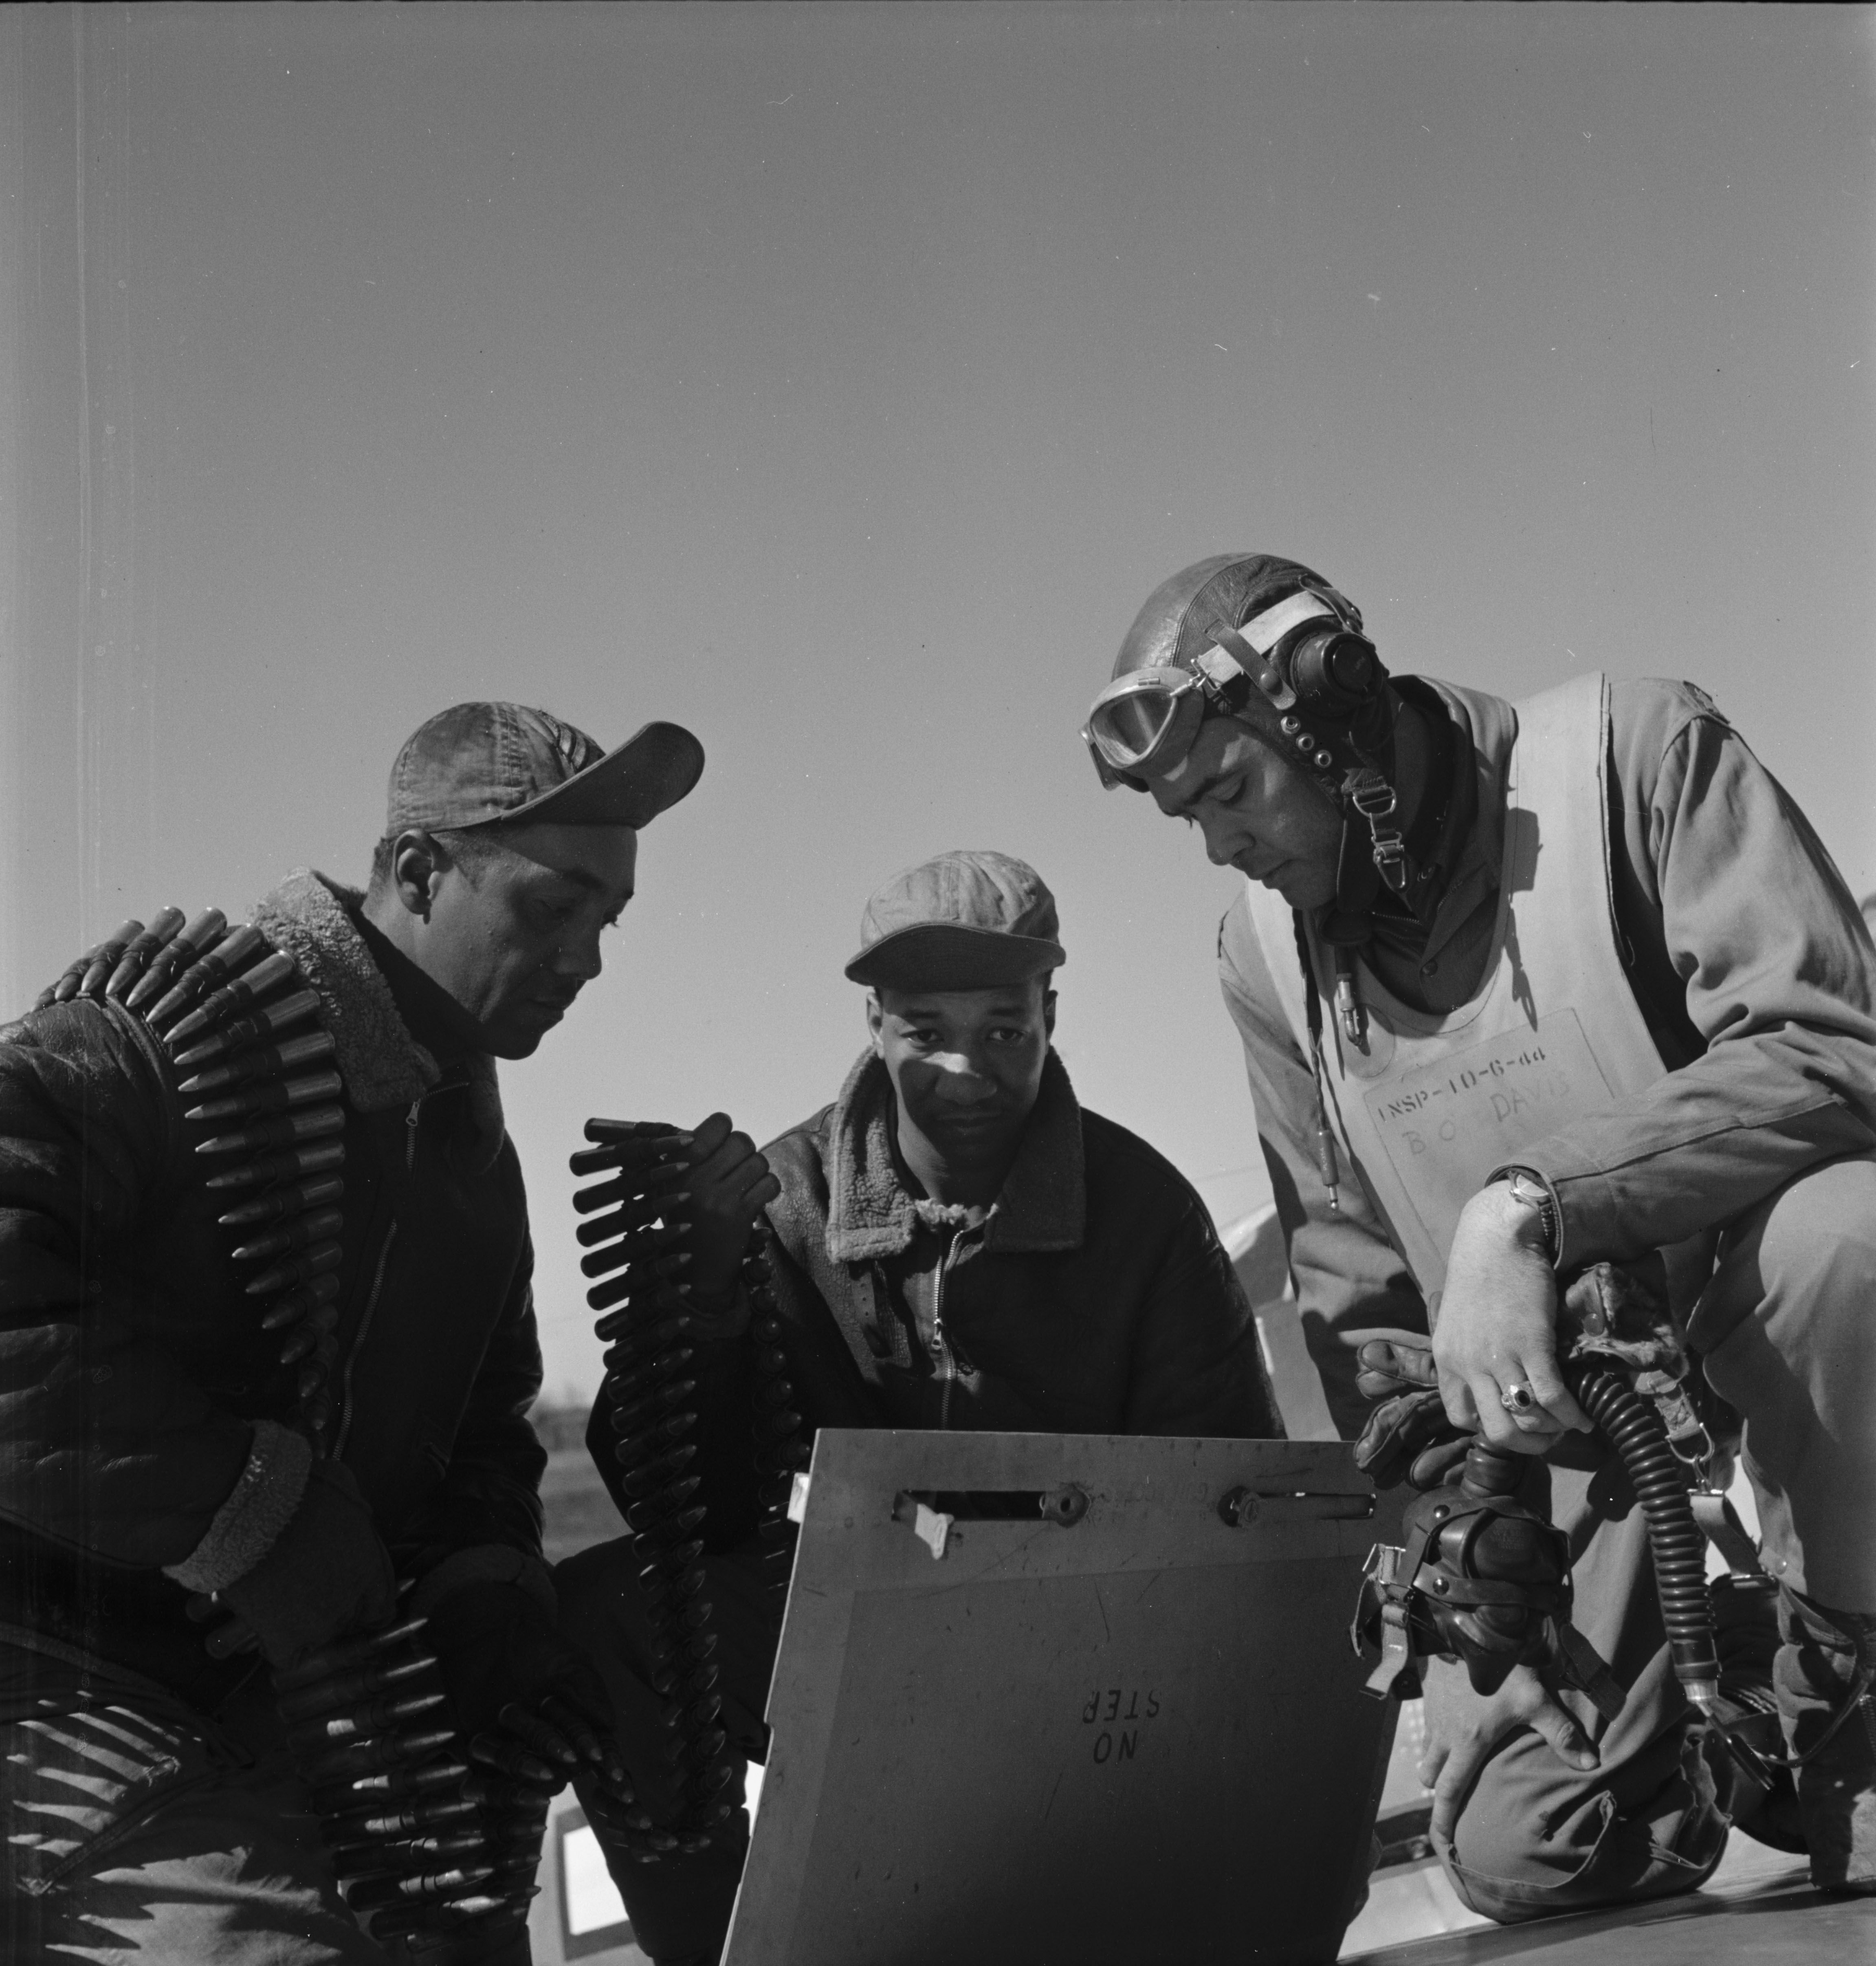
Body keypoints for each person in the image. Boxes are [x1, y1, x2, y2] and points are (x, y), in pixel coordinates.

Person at [1081, 552, 1876, 1918]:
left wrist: (1532, 1203)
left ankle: (1849, 1655)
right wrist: (1447, 1513)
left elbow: (1827, 1043)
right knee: (1526, 1847)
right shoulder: (1263, 955)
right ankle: (1726, 1665)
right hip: (1571, 1419)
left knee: (1849, 1239)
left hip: (1780, 1344)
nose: (1221, 845)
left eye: (1230, 792)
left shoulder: (1633, 753)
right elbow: (1356, 1288)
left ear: (1328, 710)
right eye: (1189, 819)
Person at [0, 701, 705, 1965]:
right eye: (556, 907)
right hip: (71, 1688)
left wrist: (487, 1587)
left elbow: (489, 1430)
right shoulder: (171, 1039)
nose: (588, 960)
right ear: (420, 871)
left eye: (608, 921)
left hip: (291, 1697)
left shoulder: (470, 1156)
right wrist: (240, 1511)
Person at [557, 849, 1282, 1966]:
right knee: (615, 1612)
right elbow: (683, 1504)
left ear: (1052, 1011)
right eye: (925, 1028)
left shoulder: (1146, 1215)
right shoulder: (785, 1204)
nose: (965, 1067)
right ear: (875, 1021)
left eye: (1005, 1027)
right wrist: (693, 1298)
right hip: (866, 1635)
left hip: (1091, 1645)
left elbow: (1237, 1507)